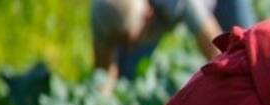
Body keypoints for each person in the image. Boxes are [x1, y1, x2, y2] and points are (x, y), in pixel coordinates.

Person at [91, 0, 256, 92]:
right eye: (121, 41)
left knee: (244, 52)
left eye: (131, 40)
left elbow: (213, 47)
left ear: (148, 15)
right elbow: (104, 72)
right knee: (126, 74)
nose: (129, 48)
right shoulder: (102, 14)